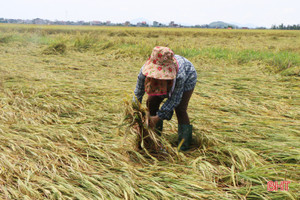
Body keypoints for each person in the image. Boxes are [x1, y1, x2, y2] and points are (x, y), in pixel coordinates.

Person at [133, 46, 197, 151]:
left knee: (180, 109)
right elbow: (137, 94)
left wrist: (158, 118)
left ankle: (184, 145)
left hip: (188, 77)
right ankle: (155, 138)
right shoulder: (144, 71)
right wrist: (136, 116)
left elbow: (174, 100)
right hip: (171, 80)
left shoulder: (179, 76)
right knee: (151, 102)